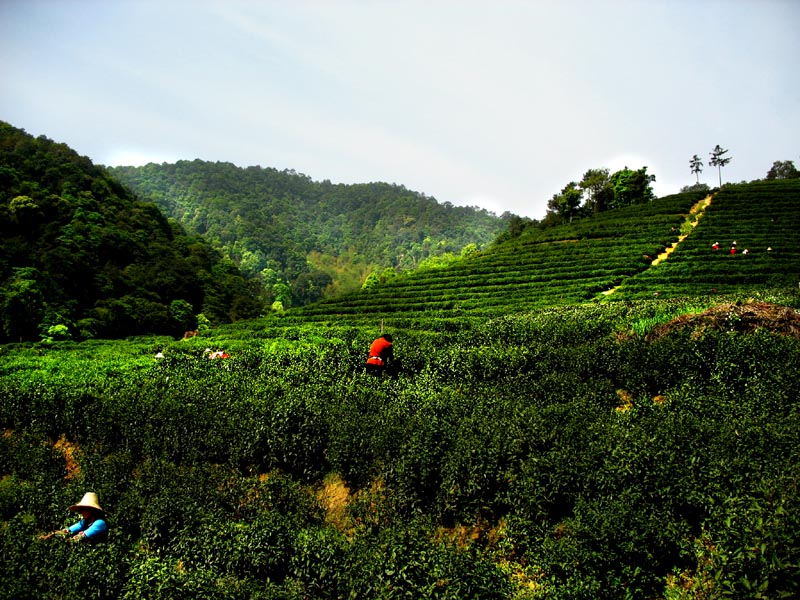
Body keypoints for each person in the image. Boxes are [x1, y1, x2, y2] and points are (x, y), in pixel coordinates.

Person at [38, 492, 108, 543]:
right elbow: (68, 530)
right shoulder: (84, 522)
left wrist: (64, 541)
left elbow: (81, 537)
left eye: (85, 509)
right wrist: (50, 536)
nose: (82, 512)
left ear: (92, 510)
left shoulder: (100, 523)